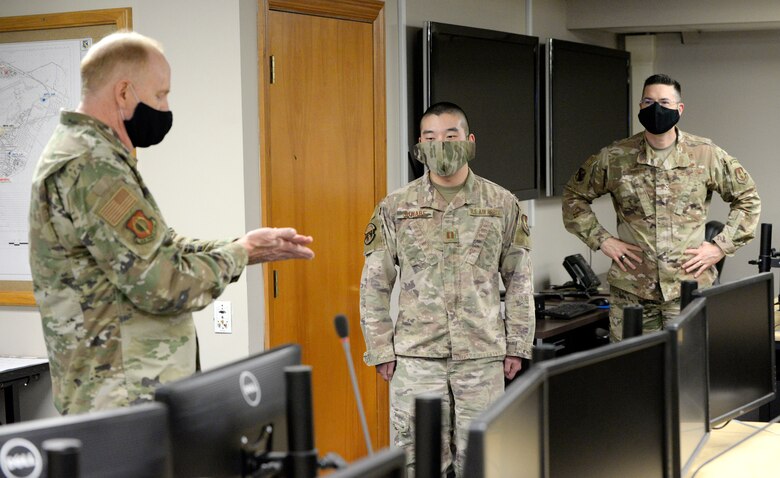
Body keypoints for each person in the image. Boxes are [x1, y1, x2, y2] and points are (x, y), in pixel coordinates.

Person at [28, 31, 315, 415]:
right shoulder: (90, 165)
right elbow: (162, 282)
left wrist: (241, 247)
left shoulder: (98, 155)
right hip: (119, 401)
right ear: (124, 93)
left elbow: (158, 247)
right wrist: (239, 254)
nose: (166, 106)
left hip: (131, 394)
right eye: (161, 94)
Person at [360, 102, 534, 477]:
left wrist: (518, 344)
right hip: (417, 358)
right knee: (418, 462)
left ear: (469, 142)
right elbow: (374, 284)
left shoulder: (502, 204)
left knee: (484, 461)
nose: (440, 144)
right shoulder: (396, 207)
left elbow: (519, 280)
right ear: (419, 147)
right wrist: (380, 348)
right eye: (430, 138)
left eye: (450, 136)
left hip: (482, 357)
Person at [562, 73, 760, 341]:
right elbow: (573, 196)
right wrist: (603, 240)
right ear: (641, 108)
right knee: (631, 371)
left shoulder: (705, 154)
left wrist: (720, 246)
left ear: (679, 109)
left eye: (665, 102)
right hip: (632, 291)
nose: (657, 109)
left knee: (688, 372)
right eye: (649, 101)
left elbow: (747, 198)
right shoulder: (615, 156)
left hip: (688, 288)